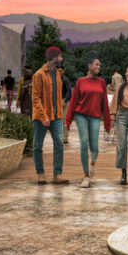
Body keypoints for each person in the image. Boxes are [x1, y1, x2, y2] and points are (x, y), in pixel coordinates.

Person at [66, 58, 111, 189]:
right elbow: (73, 102)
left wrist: (107, 122)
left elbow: (105, 105)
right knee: (84, 143)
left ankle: (92, 163)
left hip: (95, 117)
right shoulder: (81, 81)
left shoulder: (102, 82)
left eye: (99, 65)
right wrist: (68, 121)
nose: (98, 67)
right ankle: (86, 176)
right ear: (89, 65)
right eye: (96, 64)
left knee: (95, 148)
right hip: (81, 116)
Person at [30, 49, 70, 186]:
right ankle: (40, 174)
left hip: (56, 116)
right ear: (53, 58)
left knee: (59, 143)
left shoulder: (58, 74)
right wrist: (43, 115)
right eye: (60, 56)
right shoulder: (38, 75)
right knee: (37, 146)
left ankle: (57, 174)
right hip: (41, 117)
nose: (62, 59)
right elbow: (35, 98)